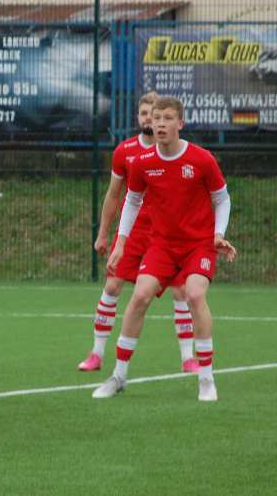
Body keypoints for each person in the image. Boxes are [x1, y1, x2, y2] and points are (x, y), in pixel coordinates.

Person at [92, 96, 236, 401]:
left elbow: (222, 198)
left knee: (194, 294)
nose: (160, 123)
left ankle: (207, 379)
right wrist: (120, 243)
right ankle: (118, 375)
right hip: (162, 245)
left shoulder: (201, 159)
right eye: (156, 118)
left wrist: (218, 234)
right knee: (140, 295)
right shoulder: (143, 163)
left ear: (180, 124)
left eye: (168, 118)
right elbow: (131, 201)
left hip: (198, 244)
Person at [79, 92, 197, 374]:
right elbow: (113, 195)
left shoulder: (178, 152)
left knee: (181, 290)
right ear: (140, 117)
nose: (149, 118)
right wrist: (103, 234)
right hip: (132, 233)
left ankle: (188, 358)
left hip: (166, 234)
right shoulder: (125, 151)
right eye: (145, 113)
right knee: (112, 286)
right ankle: (96, 354)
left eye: (154, 114)